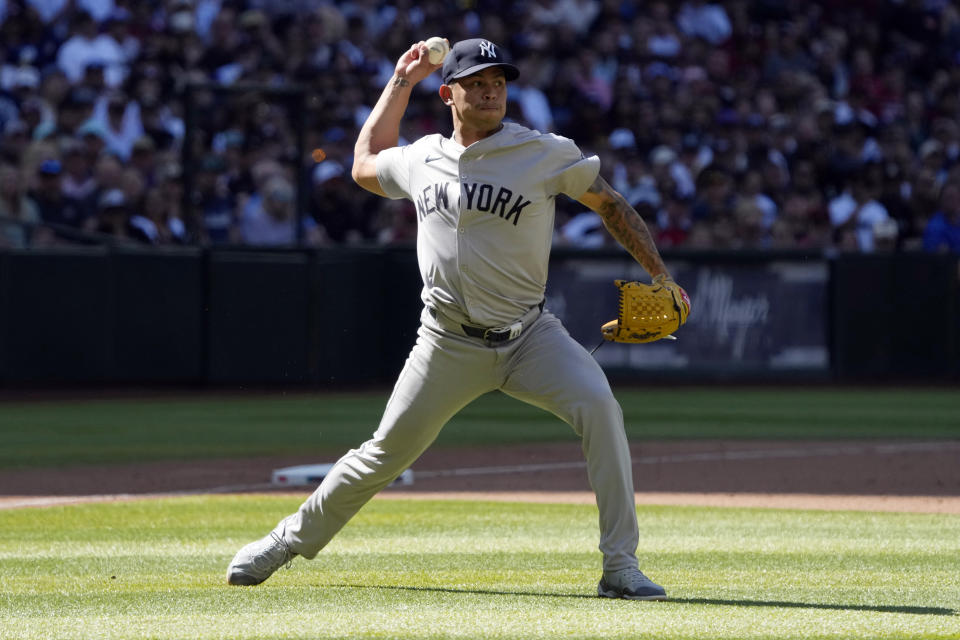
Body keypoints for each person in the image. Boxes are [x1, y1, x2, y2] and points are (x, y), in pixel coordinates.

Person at [226, 38, 690, 601]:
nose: (491, 88)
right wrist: (402, 79)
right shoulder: (422, 157)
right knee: (383, 453)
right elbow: (364, 164)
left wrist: (661, 275)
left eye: (498, 79)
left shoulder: (544, 151)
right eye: (475, 81)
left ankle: (620, 567)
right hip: (446, 342)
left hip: (530, 336)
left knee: (601, 410)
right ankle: (282, 543)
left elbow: (612, 204)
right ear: (448, 93)